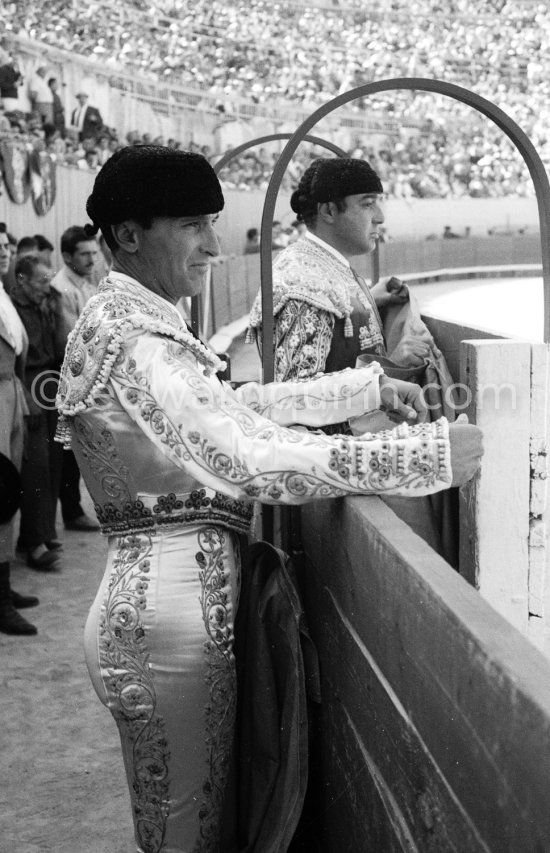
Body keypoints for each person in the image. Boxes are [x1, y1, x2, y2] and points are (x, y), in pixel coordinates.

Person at [55, 145, 482, 852]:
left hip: (172, 606)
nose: (214, 247)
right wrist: (416, 454)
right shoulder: (135, 337)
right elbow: (239, 453)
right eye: (193, 224)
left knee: (203, 831)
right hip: (164, 617)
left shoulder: (135, 321)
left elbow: (233, 406)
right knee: (188, 838)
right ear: (129, 234)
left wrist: (362, 388)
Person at [247, 157, 456, 561]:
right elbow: (294, 405)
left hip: (354, 466)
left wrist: (372, 304)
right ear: (328, 210)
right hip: (342, 480)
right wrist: (393, 362)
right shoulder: (304, 283)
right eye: (366, 203)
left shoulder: (327, 270)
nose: (379, 217)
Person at [11, 254, 64, 570]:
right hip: (28, 385)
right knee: (36, 469)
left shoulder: (46, 305)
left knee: (52, 465)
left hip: (48, 384)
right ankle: (34, 543)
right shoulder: (13, 310)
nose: (47, 287)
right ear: (21, 280)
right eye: (41, 281)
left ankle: (43, 532)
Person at [0, 225, 39, 635]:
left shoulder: (4, 294)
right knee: (0, 494)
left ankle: (4, 587)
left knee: (9, 490)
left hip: (9, 394)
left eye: (5, 246)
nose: (3, 252)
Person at [51, 226, 99, 532]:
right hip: (66, 376)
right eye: (85, 254)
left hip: (84, 374)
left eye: (94, 252)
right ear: (67, 256)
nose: (92, 258)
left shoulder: (84, 282)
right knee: (67, 451)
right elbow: (72, 340)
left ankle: (74, 509)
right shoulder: (61, 288)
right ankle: (71, 511)